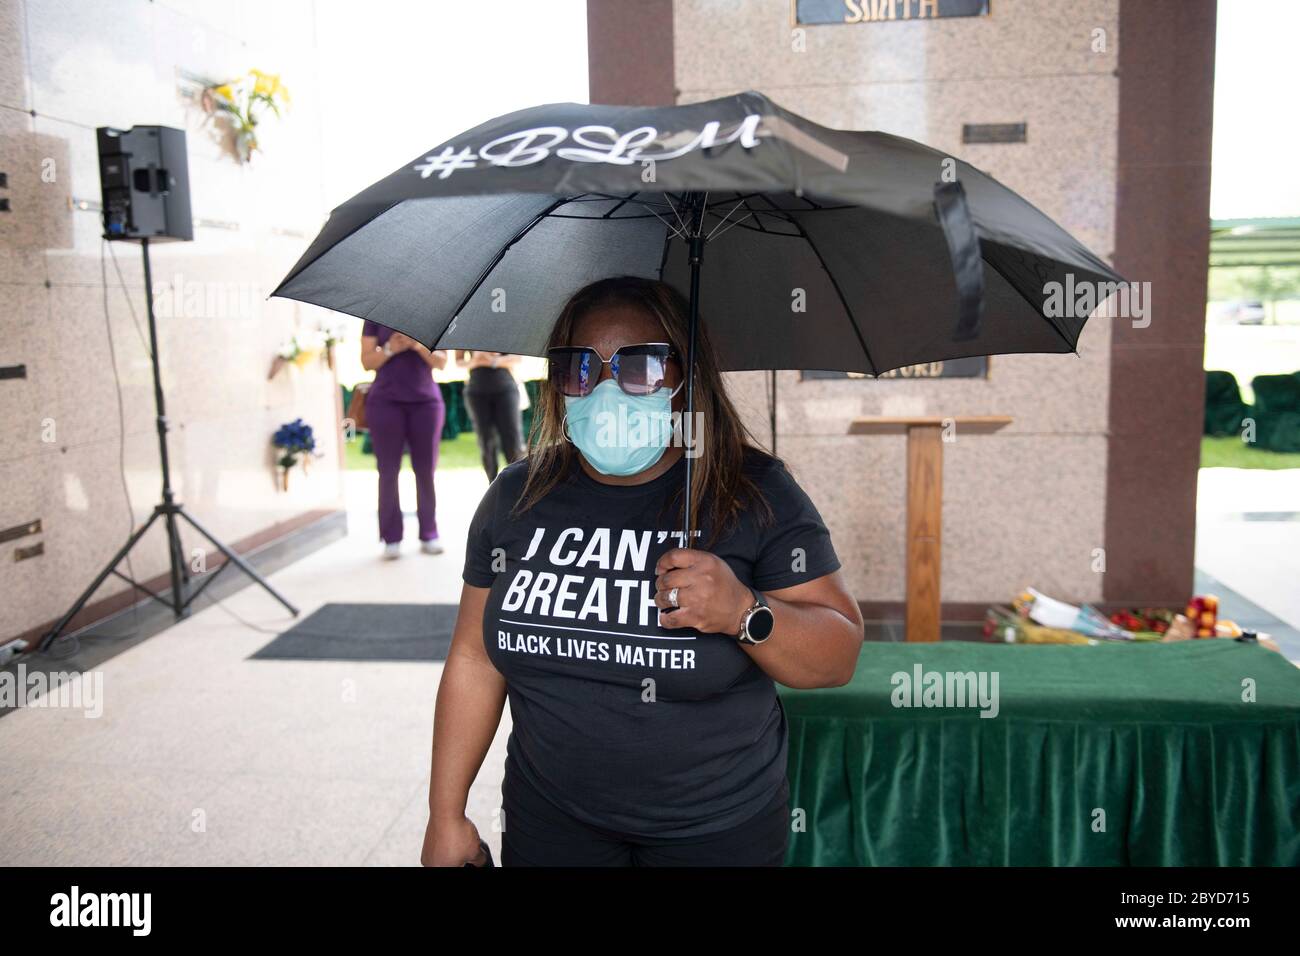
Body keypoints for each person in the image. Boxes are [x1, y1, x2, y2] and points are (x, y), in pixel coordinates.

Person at [420, 276, 864, 867]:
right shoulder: (515, 497)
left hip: (715, 830)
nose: (606, 387)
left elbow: (838, 654)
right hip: (550, 818)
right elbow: (475, 660)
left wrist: (745, 612)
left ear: (686, 377)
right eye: (579, 366)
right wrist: (445, 814)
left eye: (642, 366)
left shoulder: (753, 493)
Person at [359, 322, 447, 559]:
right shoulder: (374, 317)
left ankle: (429, 533)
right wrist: (390, 348)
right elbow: (366, 362)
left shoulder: (432, 315)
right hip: (385, 403)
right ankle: (391, 537)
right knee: (387, 471)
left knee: (426, 470)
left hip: (426, 403)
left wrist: (418, 345)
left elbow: (441, 362)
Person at [457, 350, 524, 481]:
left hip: (505, 389)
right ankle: (492, 485)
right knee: (486, 441)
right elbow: (459, 362)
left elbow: (518, 358)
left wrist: (494, 361)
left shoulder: (505, 330)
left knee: (512, 440)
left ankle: (519, 484)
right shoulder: (465, 331)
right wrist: (475, 360)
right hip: (476, 391)